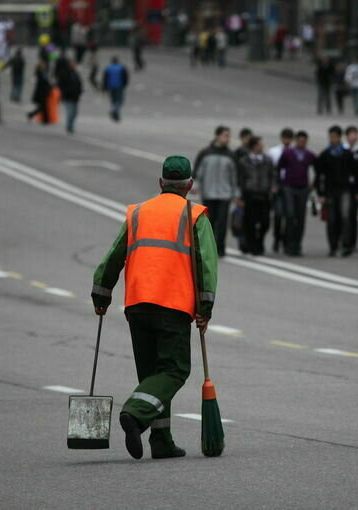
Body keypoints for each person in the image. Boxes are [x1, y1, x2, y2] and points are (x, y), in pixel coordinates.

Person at [91, 155, 218, 460]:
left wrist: (101, 294)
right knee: (173, 371)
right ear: (190, 185)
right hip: (172, 304)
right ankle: (135, 414)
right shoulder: (195, 214)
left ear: (161, 183)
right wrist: (206, 307)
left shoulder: (139, 212)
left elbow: (114, 255)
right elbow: (206, 265)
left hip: (137, 303)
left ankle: (162, 441)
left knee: (152, 375)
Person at [193, 126, 239, 257]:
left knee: (223, 222)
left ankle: (221, 248)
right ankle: (209, 248)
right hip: (208, 193)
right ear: (217, 136)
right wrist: (195, 186)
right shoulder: (205, 153)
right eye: (225, 135)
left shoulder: (231, 155)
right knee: (209, 222)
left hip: (225, 194)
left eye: (228, 136)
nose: (228, 138)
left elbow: (235, 175)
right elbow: (197, 171)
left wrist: (236, 193)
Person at [315, 126, 356, 257]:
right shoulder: (325, 154)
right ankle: (333, 246)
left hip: (345, 190)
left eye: (334, 136)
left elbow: (356, 172)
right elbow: (319, 175)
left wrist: (356, 189)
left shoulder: (347, 153)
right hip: (330, 191)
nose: (332, 139)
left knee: (345, 217)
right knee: (332, 220)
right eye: (330, 136)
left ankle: (346, 245)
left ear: (339, 137)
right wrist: (320, 193)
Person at [277, 130, 316, 256]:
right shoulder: (288, 153)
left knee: (300, 218)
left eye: (304, 141)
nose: (301, 143)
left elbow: (318, 169)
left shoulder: (309, 155)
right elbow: (279, 168)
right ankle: (288, 244)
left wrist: (313, 184)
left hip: (303, 188)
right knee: (290, 215)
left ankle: (297, 245)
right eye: (299, 141)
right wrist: (281, 184)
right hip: (289, 187)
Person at [237, 136, 275, 255]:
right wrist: (239, 196)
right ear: (254, 146)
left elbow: (273, 175)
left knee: (265, 222)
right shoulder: (244, 161)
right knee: (250, 222)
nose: (262, 146)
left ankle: (260, 241)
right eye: (259, 144)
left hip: (264, 195)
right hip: (249, 195)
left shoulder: (268, 160)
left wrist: (273, 187)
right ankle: (252, 245)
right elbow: (240, 179)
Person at [267, 128, 294, 253]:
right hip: (277, 187)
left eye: (289, 138)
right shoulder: (273, 152)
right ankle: (277, 238)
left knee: (289, 215)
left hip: (289, 186)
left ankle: (286, 240)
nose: (287, 140)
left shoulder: (294, 152)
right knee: (278, 215)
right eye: (285, 138)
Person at [58, 60, 82, 134]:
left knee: (75, 113)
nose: (74, 66)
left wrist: (80, 91)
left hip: (75, 97)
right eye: (72, 64)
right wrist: (64, 92)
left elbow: (79, 84)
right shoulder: (65, 73)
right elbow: (60, 84)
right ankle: (69, 127)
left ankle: (70, 126)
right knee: (70, 112)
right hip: (68, 97)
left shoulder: (76, 74)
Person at [102, 56, 128, 122]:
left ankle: (114, 112)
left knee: (113, 100)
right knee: (120, 101)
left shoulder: (108, 68)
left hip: (110, 86)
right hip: (119, 86)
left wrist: (104, 87)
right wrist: (124, 85)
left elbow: (105, 78)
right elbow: (125, 78)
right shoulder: (121, 68)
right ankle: (115, 112)